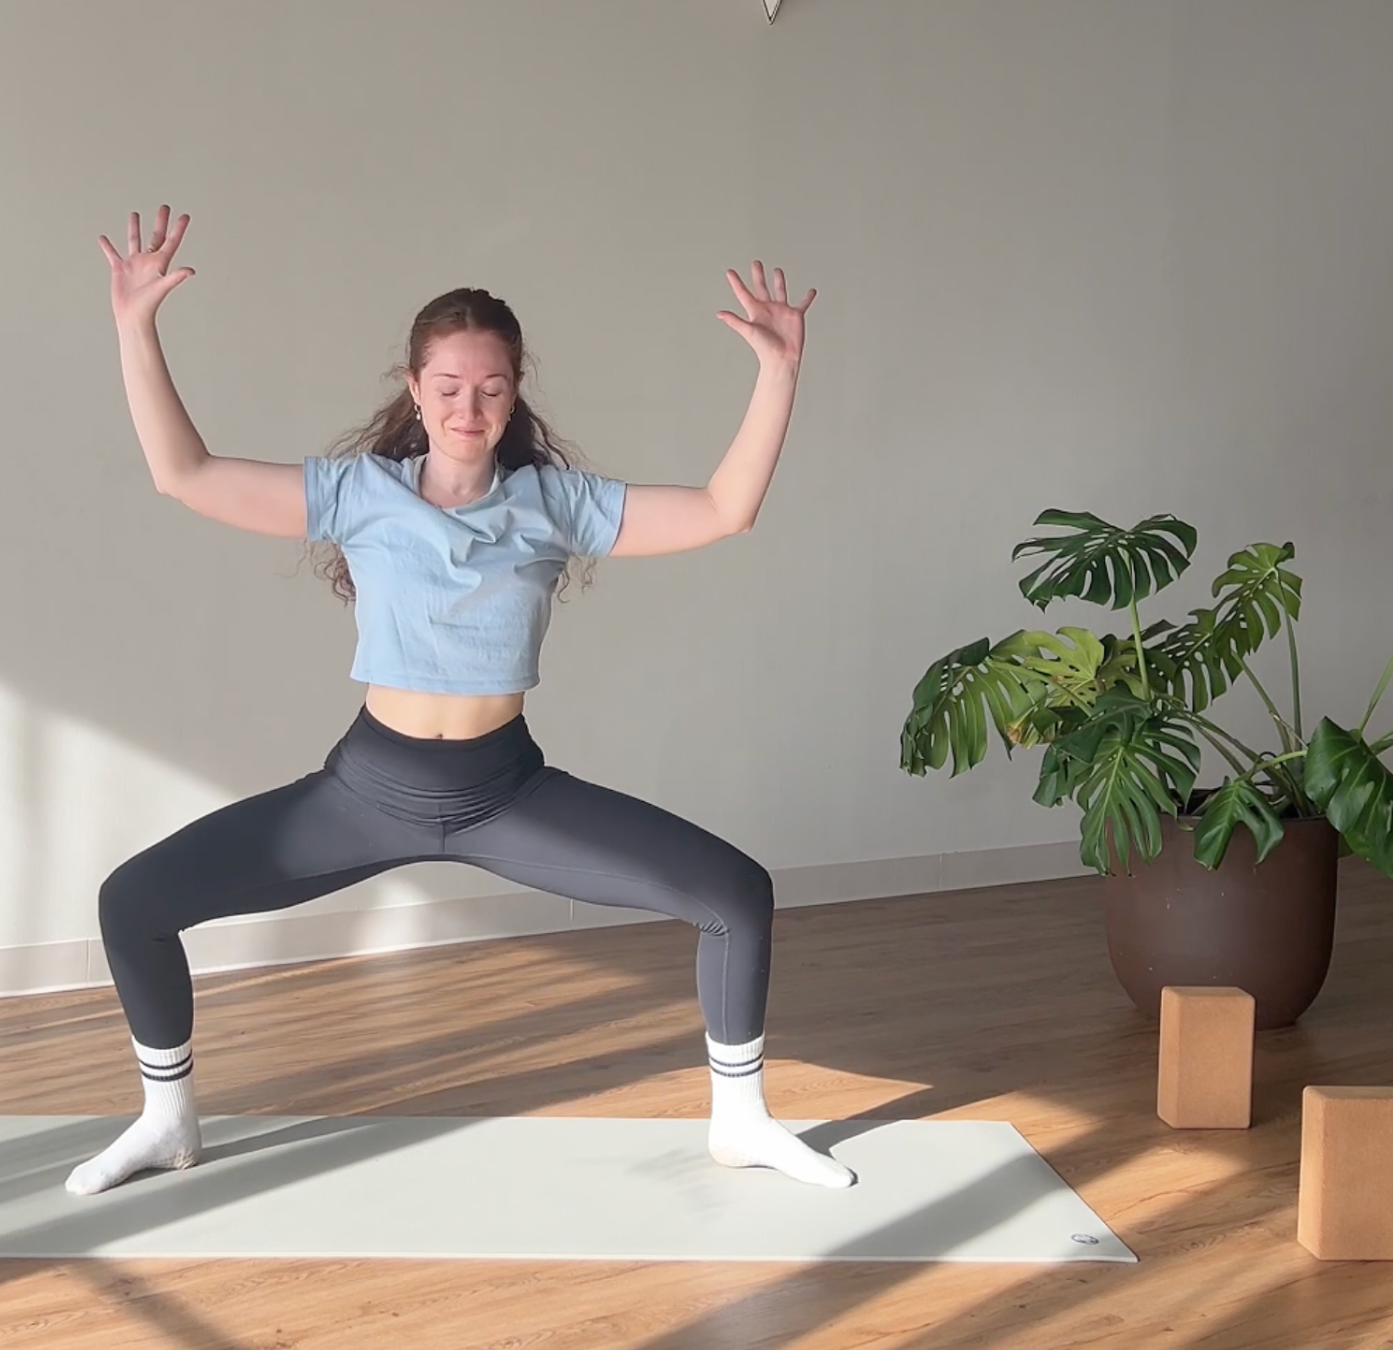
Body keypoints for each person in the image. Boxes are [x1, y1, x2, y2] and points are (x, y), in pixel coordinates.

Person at [68, 204, 852, 1196]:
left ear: (514, 392)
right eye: (447, 386)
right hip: (365, 794)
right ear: (415, 388)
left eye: (488, 388)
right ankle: (166, 1121)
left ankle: (741, 1123)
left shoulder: (554, 504)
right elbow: (183, 474)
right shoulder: (360, 493)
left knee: (737, 896)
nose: (468, 407)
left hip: (505, 796)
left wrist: (778, 372)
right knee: (133, 901)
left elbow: (722, 510)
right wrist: (135, 327)